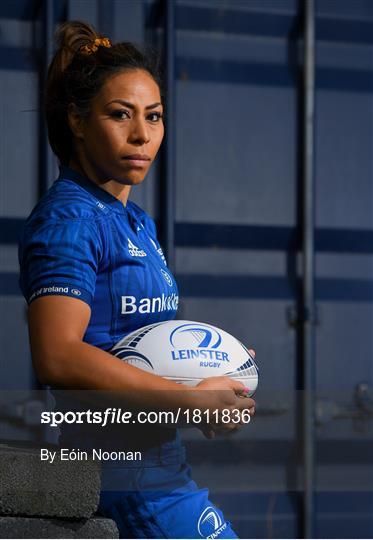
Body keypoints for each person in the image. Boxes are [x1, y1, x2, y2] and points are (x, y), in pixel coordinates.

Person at [18, 21, 256, 539]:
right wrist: (192, 400)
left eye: (155, 117)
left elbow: (135, 338)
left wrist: (212, 360)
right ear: (78, 121)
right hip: (121, 470)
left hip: (162, 463)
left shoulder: (134, 220)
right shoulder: (71, 220)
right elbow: (57, 355)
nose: (142, 135)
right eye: (120, 115)